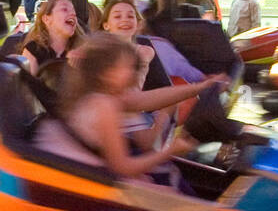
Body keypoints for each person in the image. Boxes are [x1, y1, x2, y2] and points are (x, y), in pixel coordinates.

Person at [32, 33, 204, 188]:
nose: (132, 73)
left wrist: (202, 87)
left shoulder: (96, 96)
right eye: (126, 68)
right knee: (170, 186)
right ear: (106, 72)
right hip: (73, 184)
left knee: (162, 179)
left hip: (84, 173)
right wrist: (171, 150)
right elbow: (123, 167)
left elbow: (149, 100)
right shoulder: (103, 104)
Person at [21, 0, 84, 73]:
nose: (73, 14)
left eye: (73, 10)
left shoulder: (83, 49)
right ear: (46, 19)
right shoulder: (33, 50)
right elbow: (27, 83)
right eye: (64, 9)